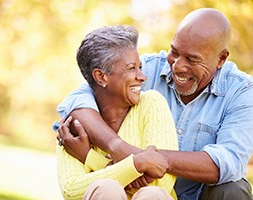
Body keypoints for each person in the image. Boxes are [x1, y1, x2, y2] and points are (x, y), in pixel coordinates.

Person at [54, 8, 253, 200]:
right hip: (139, 192)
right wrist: (118, 147)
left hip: (198, 194)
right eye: (174, 52)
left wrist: (139, 160)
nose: (178, 66)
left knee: (233, 189)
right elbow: (78, 99)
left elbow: (227, 162)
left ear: (221, 59)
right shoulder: (147, 68)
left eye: (192, 59)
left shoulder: (242, 92)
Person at [53, 25, 179, 200]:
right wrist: (137, 164)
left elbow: (161, 183)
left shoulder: (152, 103)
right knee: (106, 189)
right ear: (101, 77)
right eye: (131, 68)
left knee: (152, 194)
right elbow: (72, 190)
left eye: (140, 67)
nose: (142, 77)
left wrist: (90, 158)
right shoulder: (73, 124)